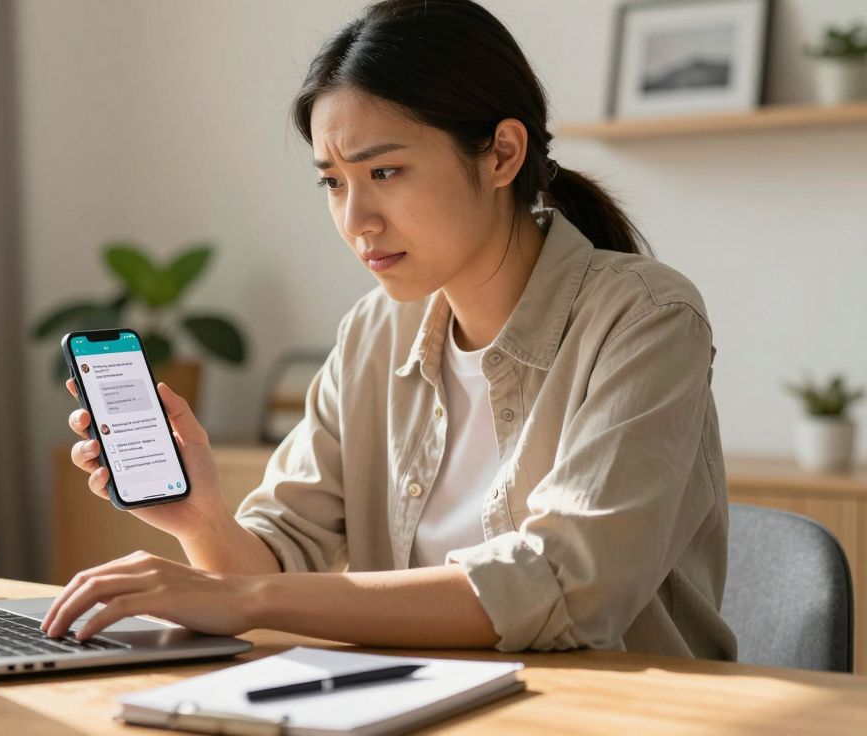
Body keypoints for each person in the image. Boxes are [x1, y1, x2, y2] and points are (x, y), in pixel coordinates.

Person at [42, 0, 736, 660]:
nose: (357, 221)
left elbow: (565, 585)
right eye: (334, 183)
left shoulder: (646, 318)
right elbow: (276, 559)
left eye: (385, 171)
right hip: (413, 707)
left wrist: (249, 596)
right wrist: (203, 520)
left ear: (501, 154)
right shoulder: (375, 332)